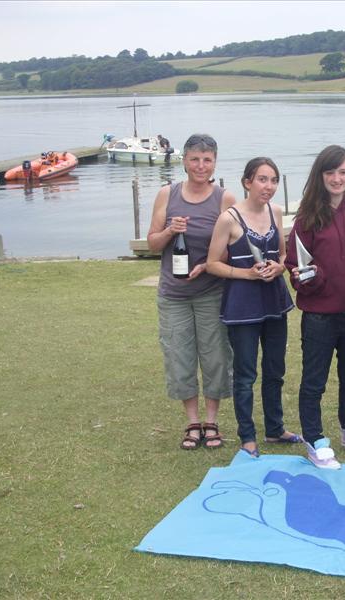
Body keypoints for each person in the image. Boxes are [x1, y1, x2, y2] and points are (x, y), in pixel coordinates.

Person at [285, 145, 345, 470]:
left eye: (342, 171)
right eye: (330, 172)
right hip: (320, 316)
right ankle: (313, 439)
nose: (337, 178)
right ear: (320, 176)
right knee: (315, 380)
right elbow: (296, 267)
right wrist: (312, 278)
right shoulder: (306, 218)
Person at [207, 157, 300, 458]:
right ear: (247, 182)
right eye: (262, 179)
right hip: (242, 307)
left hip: (274, 301)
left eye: (273, 180)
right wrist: (245, 273)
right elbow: (212, 264)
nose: (269, 186)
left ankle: (275, 428)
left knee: (275, 369)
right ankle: (247, 435)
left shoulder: (275, 211)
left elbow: (285, 256)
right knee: (246, 373)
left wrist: (279, 267)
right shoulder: (229, 219)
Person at [147, 133, 235, 451]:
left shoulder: (224, 198)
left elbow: (232, 248)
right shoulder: (166, 195)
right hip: (173, 295)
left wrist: (210, 264)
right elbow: (153, 244)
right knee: (179, 357)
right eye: (195, 159)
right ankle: (192, 422)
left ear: (214, 163)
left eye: (207, 159)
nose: (201, 166)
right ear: (184, 161)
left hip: (212, 292)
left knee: (215, 357)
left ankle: (211, 422)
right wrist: (171, 230)